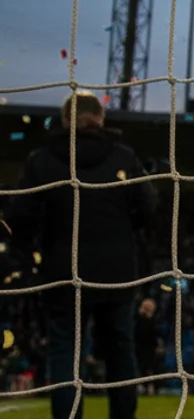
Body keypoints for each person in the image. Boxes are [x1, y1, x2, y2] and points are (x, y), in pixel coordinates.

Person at [7, 91, 157, 419]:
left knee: (65, 357)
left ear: (64, 121)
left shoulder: (42, 159)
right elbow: (148, 209)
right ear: (101, 119)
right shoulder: (122, 156)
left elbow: (20, 218)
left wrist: (27, 253)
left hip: (64, 270)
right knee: (120, 354)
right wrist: (119, 226)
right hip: (116, 272)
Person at [135, 297, 162, 396]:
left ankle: (146, 389)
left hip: (143, 349)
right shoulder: (148, 321)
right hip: (145, 350)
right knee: (147, 371)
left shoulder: (138, 319)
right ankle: (147, 389)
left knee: (146, 370)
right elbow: (153, 336)